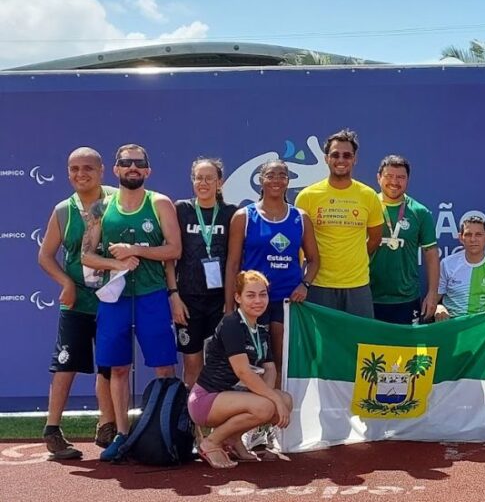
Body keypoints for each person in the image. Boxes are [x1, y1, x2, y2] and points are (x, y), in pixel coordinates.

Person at [80, 143, 182, 461]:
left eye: (139, 163)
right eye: (126, 163)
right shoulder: (100, 208)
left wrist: (135, 250)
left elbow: (174, 249)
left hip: (152, 295)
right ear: (116, 169)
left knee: (164, 367)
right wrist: (117, 263)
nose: (132, 167)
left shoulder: (160, 203)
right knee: (118, 368)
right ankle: (122, 435)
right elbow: (86, 255)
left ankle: (165, 431)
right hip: (115, 298)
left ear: (148, 170)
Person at [37, 147, 116, 459]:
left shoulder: (117, 201)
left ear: (101, 171)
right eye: (74, 169)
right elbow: (45, 255)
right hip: (76, 301)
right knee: (65, 364)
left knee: (109, 364)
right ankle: (52, 430)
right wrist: (66, 283)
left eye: (87, 168)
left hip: (111, 298)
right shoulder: (63, 210)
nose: (81, 174)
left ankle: (107, 426)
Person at [226, 160, 319, 389]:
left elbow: (314, 260)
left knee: (279, 360)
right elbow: (233, 264)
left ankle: (277, 407)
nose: (276, 180)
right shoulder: (244, 216)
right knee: (252, 362)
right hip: (253, 300)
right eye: (270, 175)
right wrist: (229, 308)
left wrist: (305, 285)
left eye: (282, 175)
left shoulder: (300, 217)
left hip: (286, 300)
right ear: (261, 180)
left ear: (288, 181)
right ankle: (256, 407)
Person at [188, 270, 293, 469]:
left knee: (285, 400)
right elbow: (243, 371)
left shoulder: (260, 329)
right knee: (268, 406)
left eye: (262, 295)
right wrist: (272, 399)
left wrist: (271, 398)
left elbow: (270, 368)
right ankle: (211, 442)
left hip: (233, 397)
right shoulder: (232, 324)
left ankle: (233, 439)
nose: (258, 301)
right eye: (250, 295)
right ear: (238, 298)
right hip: (206, 399)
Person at [294, 129, 383, 318]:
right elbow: (298, 244)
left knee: (359, 336)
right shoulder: (307, 196)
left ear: (354, 159)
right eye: (335, 155)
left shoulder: (368, 196)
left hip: (357, 285)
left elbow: (375, 239)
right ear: (326, 158)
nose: (341, 160)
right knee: (322, 337)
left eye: (347, 155)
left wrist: (353, 259)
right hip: (319, 285)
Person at [165, 158, 237, 389]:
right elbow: (169, 257)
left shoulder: (231, 213)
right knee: (192, 362)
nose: (203, 183)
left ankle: (217, 410)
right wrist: (174, 295)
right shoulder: (181, 209)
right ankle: (192, 411)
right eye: (198, 178)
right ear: (192, 181)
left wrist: (230, 303)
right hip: (188, 299)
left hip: (220, 301)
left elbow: (236, 259)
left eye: (209, 178)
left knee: (220, 363)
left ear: (219, 183)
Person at [369, 155, 440, 324]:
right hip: (368, 296)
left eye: (400, 177)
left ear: (408, 180)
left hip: (406, 298)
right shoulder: (367, 207)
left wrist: (432, 293)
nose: (394, 182)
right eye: (389, 176)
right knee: (369, 341)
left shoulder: (420, 212)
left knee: (406, 342)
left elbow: (431, 254)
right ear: (378, 178)